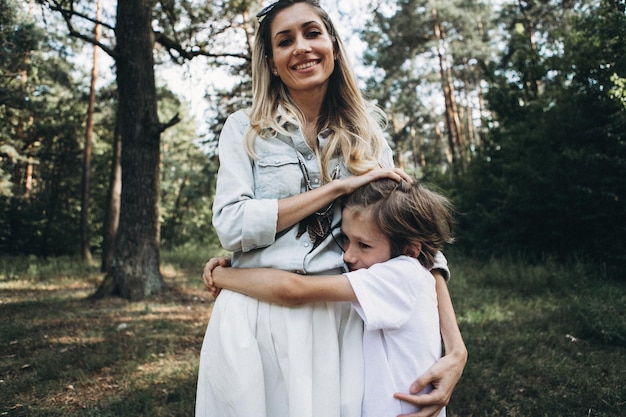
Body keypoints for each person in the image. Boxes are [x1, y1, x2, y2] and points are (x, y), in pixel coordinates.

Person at [195, 1, 467, 416]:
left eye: (312, 33)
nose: (301, 48)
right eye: (285, 41)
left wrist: (455, 348)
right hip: (255, 317)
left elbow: (417, 242)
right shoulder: (243, 129)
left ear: (333, 46)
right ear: (271, 62)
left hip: (342, 319)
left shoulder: (369, 137)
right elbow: (232, 226)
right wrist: (336, 188)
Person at [207, 178, 454, 417]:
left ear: (410, 249)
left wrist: (222, 276)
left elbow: (293, 290)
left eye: (363, 245)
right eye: (345, 240)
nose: (348, 256)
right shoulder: (404, 272)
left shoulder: (400, 275)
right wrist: (245, 261)